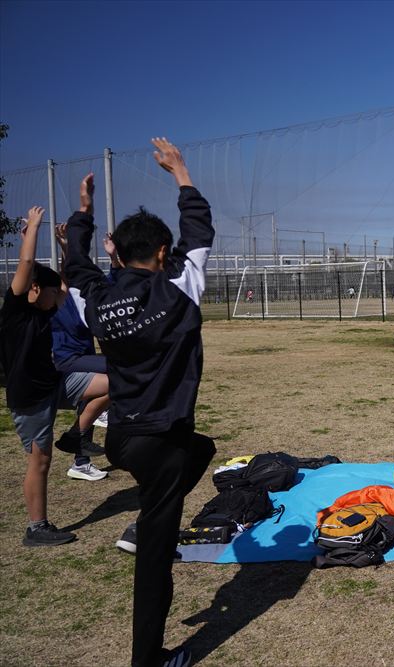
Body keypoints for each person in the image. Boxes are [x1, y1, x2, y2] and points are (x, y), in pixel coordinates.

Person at [65, 139, 217, 667]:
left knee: (203, 450)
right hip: (161, 440)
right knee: (155, 559)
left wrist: (82, 215)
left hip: (123, 437)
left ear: (117, 254)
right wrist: (180, 172)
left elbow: (75, 266)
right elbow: (199, 231)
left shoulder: (97, 301)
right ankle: (148, 658)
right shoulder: (179, 288)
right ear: (161, 253)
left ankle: (150, 520)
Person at [1, 207, 111, 547]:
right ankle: (37, 528)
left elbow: (64, 282)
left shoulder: (45, 310)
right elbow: (26, 264)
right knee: (41, 460)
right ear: (34, 289)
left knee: (120, 380)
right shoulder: (16, 310)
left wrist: (66, 248)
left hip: (56, 383)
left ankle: (76, 436)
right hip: (30, 398)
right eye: (52, 293)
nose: (59, 299)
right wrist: (33, 228)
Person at [50, 223, 115, 480]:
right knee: (118, 370)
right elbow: (65, 273)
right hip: (67, 360)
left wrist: (113, 258)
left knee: (92, 400)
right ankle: (106, 412)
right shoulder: (62, 297)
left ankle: (80, 461)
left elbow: (114, 283)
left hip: (83, 357)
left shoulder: (91, 293)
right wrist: (65, 247)